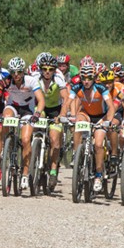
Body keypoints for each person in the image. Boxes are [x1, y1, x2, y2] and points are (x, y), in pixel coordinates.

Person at [0, 57, 45, 190]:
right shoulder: (5, 81)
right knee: (6, 116)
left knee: (25, 140)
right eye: (13, 72)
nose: (16, 75)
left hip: (28, 110)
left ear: (23, 71)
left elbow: (41, 100)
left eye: (19, 72)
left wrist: (37, 113)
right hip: (12, 107)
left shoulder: (31, 81)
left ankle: (24, 173)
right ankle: (8, 142)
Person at [68, 64, 115, 193]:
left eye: (89, 78)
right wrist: (63, 115)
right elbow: (68, 101)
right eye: (83, 78)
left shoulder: (101, 88)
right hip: (86, 114)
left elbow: (111, 107)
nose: (86, 81)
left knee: (98, 144)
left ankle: (99, 175)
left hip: (101, 117)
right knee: (78, 123)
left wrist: (108, 121)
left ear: (94, 78)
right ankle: (76, 154)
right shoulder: (77, 87)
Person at [36, 54, 70, 191]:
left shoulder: (58, 78)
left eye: (50, 69)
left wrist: (61, 115)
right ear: (41, 69)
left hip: (55, 110)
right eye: (44, 69)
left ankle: (54, 170)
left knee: (55, 141)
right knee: (31, 129)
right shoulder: (35, 78)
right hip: (41, 108)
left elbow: (66, 99)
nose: (47, 71)